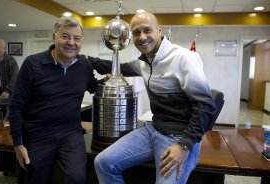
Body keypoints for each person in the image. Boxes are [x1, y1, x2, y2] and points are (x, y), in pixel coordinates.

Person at [88, 12, 216, 184]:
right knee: (103, 162)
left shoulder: (183, 58)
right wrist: (82, 58)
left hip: (179, 136)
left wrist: (184, 145)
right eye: (136, 32)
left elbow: (206, 105)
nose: (142, 37)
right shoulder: (142, 62)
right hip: (153, 129)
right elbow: (118, 67)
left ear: (159, 30)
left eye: (147, 30)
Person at [9, 17, 104, 184]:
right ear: (54, 37)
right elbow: (16, 105)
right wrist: (18, 143)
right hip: (37, 133)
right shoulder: (33, 64)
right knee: (34, 177)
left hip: (70, 132)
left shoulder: (84, 65)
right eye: (65, 36)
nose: (71, 42)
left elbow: (93, 85)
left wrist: (111, 81)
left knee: (77, 178)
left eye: (77, 38)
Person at [0, 38, 19, 103]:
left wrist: (7, 91)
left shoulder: (10, 61)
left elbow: (15, 77)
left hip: (3, 92)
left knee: (2, 112)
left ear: (4, 48)